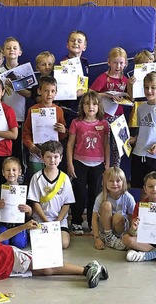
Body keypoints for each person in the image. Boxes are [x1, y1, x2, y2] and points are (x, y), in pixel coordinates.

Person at [0, 220, 108, 298]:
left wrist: (24, 226)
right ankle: (89, 268)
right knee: (44, 271)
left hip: (12, 258)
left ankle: (88, 269)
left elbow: (3, 236)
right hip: (9, 273)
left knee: (47, 267)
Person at [66, 91, 109, 235]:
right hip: (79, 163)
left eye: (94, 104)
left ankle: (92, 222)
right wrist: (70, 164)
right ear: (82, 106)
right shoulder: (76, 123)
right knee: (79, 193)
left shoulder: (104, 124)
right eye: (87, 103)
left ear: (99, 106)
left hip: (98, 164)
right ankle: (77, 221)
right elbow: (70, 144)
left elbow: (106, 145)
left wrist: (107, 164)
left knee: (94, 195)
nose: (91, 107)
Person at [28, 140, 74, 249]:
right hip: (41, 218)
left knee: (64, 243)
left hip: (59, 220)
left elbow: (67, 204)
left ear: (61, 158)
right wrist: (46, 221)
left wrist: (57, 222)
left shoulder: (65, 178)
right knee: (38, 244)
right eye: (48, 157)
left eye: (55, 157)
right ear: (42, 157)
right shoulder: (36, 177)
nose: (52, 160)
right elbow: (35, 203)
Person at [90, 47, 130, 167]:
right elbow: (91, 93)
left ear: (125, 64)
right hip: (104, 116)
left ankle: (116, 172)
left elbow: (130, 97)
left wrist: (124, 97)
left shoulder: (125, 79)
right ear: (109, 62)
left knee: (119, 146)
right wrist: (106, 95)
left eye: (121, 63)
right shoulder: (103, 78)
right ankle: (104, 172)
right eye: (115, 63)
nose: (118, 66)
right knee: (105, 145)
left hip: (119, 118)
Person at [22, 76, 68, 177]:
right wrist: (31, 146)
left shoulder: (59, 111)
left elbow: (62, 136)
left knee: (51, 178)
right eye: (46, 91)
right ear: (39, 91)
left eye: (52, 91)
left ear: (56, 93)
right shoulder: (33, 110)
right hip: (36, 153)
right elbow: (26, 132)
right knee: (36, 178)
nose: (49, 94)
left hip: (53, 154)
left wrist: (63, 130)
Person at [90, 167, 135, 250]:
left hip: (120, 228)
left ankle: (118, 237)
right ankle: (108, 237)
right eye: (111, 181)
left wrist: (130, 234)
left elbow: (132, 217)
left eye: (118, 181)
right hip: (105, 229)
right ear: (105, 183)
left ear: (123, 182)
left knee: (118, 216)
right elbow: (94, 218)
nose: (114, 184)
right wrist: (96, 238)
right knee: (106, 205)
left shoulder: (128, 197)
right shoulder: (101, 197)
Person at [0, 157, 32, 248]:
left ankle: (25, 235)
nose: (11, 173)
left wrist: (29, 209)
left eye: (14, 170)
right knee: (3, 243)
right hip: (3, 224)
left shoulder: (24, 190)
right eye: (7, 170)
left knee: (19, 244)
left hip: (19, 224)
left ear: (20, 172)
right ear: (3, 172)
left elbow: (30, 213)